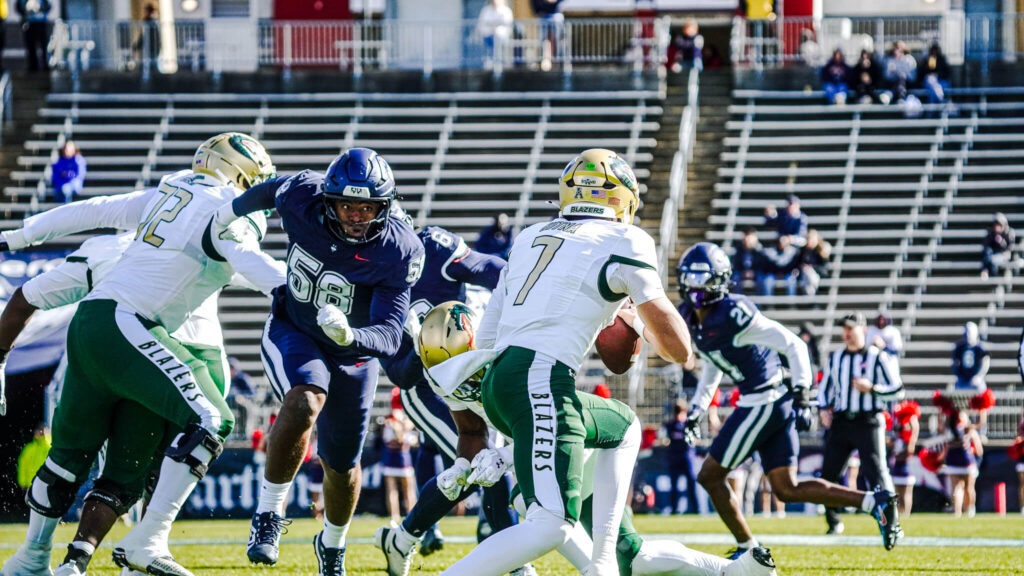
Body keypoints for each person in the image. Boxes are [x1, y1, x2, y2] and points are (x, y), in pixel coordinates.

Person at [0, 132, 284, 576]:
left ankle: (42, 559)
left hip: (97, 329)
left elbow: (94, 210)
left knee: (73, 459)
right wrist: (299, 289)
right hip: (135, 329)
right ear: (239, 176)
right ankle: (147, 543)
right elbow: (246, 262)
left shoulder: (167, 193)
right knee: (208, 422)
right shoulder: (226, 212)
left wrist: (23, 234)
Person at [425, 149, 694, 576]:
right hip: (540, 375)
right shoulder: (626, 239)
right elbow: (678, 349)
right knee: (549, 525)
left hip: (502, 378)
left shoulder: (530, 235)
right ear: (622, 199)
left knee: (623, 427)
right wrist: (646, 328)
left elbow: (490, 333)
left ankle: (603, 561)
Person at [417, 301, 773, 576]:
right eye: (455, 373)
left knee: (541, 514)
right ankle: (731, 570)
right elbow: (471, 431)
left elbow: (550, 418)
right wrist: (463, 466)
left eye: (472, 368)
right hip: (542, 446)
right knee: (632, 557)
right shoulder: (444, 373)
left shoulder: (512, 343)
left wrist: (505, 458)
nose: (467, 380)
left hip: (578, 441)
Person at [213, 148, 424, 575]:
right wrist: (227, 214)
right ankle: (269, 516)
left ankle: (332, 544)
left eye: (367, 207)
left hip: (356, 357)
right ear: (328, 200)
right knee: (306, 400)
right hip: (295, 328)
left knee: (342, 466)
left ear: (385, 207)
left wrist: (351, 335)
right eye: (347, 204)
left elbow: (387, 332)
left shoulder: (398, 248)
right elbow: (271, 191)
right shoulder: (303, 195)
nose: (356, 216)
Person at [677, 247, 902, 557]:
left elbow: (794, 344)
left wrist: (803, 393)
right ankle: (873, 502)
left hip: (764, 400)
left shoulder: (734, 313)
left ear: (719, 279)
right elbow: (714, 362)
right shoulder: (692, 318)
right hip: (767, 401)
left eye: (702, 277)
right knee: (786, 487)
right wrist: (697, 410)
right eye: (690, 276)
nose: (695, 284)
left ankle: (747, 549)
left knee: (710, 475)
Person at [373, 218, 528, 575]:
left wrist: (520, 290)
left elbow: (490, 268)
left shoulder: (433, 246)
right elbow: (400, 373)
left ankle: (402, 539)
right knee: (481, 462)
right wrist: (423, 345)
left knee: (485, 467)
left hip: (475, 366)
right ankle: (515, 562)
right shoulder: (366, 276)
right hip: (426, 384)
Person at [817, 312, 904, 536]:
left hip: (869, 421)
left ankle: (891, 522)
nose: (846, 332)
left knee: (877, 472)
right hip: (842, 421)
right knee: (829, 473)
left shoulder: (878, 357)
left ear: (863, 330)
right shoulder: (836, 358)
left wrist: (872, 388)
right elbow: (824, 389)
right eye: (844, 328)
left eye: (851, 328)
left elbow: (897, 389)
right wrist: (823, 409)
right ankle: (833, 521)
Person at [381, 400, 418, 524]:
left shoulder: (389, 423)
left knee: (392, 489)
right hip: (403, 458)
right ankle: (410, 514)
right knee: (408, 490)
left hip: (392, 458)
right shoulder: (405, 422)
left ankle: (394, 516)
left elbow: (386, 439)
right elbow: (410, 440)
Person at [942, 410, 982, 518]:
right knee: (969, 488)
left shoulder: (949, 430)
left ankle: (957, 512)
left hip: (952, 461)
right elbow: (979, 451)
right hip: (966, 461)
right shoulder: (968, 430)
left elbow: (945, 449)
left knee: (956, 488)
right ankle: (970, 510)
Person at [661, 399, 698, 514]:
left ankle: (694, 509)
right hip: (674, 458)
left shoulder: (689, 424)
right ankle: (674, 509)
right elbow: (664, 440)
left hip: (687, 458)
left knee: (691, 485)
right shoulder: (669, 425)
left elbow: (695, 440)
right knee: (674, 486)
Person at [889, 401, 920, 516]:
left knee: (907, 491)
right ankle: (898, 513)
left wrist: (911, 442)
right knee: (897, 491)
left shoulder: (909, 435)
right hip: (896, 463)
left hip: (906, 464)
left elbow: (915, 429)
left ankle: (906, 513)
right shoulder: (898, 430)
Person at [477, 0, 513, 69]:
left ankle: (500, 63)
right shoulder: (486, 10)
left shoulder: (506, 11)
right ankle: (490, 63)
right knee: (491, 41)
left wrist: (497, 30)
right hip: (488, 37)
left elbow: (508, 28)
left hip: (501, 37)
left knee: (498, 40)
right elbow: (481, 25)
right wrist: (490, 30)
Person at [15, 0, 49, 72]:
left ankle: (45, 65)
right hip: (29, 23)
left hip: (40, 23)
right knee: (30, 45)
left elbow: (48, 6)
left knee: (43, 45)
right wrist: (25, 11)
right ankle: (33, 66)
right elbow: (18, 7)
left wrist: (41, 9)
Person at [531, 0, 564, 71]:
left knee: (556, 40)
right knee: (542, 40)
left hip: (555, 14)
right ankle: (541, 62)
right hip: (543, 15)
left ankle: (557, 62)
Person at [16, 423, 50, 493]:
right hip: (30, 485)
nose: (37, 433)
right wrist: (22, 482)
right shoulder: (29, 448)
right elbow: (22, 465)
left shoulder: (48, 447)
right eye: (37, 431)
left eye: (40, 431)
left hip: (44, 484)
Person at [981, 212, 1015, 279]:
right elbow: (986, 246)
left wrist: (1001, 241)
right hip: (993, 255)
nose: (997, 227)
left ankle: (987, 273)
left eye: (999, 224)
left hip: (1004, 255)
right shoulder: (991, 233)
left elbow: (1010, 248)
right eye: (995, 224)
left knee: (991, 261)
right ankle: (986, 272)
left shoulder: (1009, 232)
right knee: (988, 254)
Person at [731, 228, 765, 294]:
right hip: (742, 272)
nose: (748, 239)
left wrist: (753, 272)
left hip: (756, 273)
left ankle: (759, 303)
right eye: (747, 237)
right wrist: (743, 271)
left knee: (761, 279)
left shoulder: (759, 250)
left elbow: (762, 265)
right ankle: (738, 301)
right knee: (735, 278)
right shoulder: (739, 249)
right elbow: (736, 264)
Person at [797, 229, 830, 296]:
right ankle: (812, 300)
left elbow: (824, 268)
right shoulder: (803, 250)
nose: (809, 241)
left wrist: (812, 267)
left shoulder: (821, 251)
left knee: (809, 274)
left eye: (811, 239)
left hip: (817, 275)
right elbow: (798, 264)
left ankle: (811, 300)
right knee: (807, 275)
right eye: (808, 238)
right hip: (805, 275)